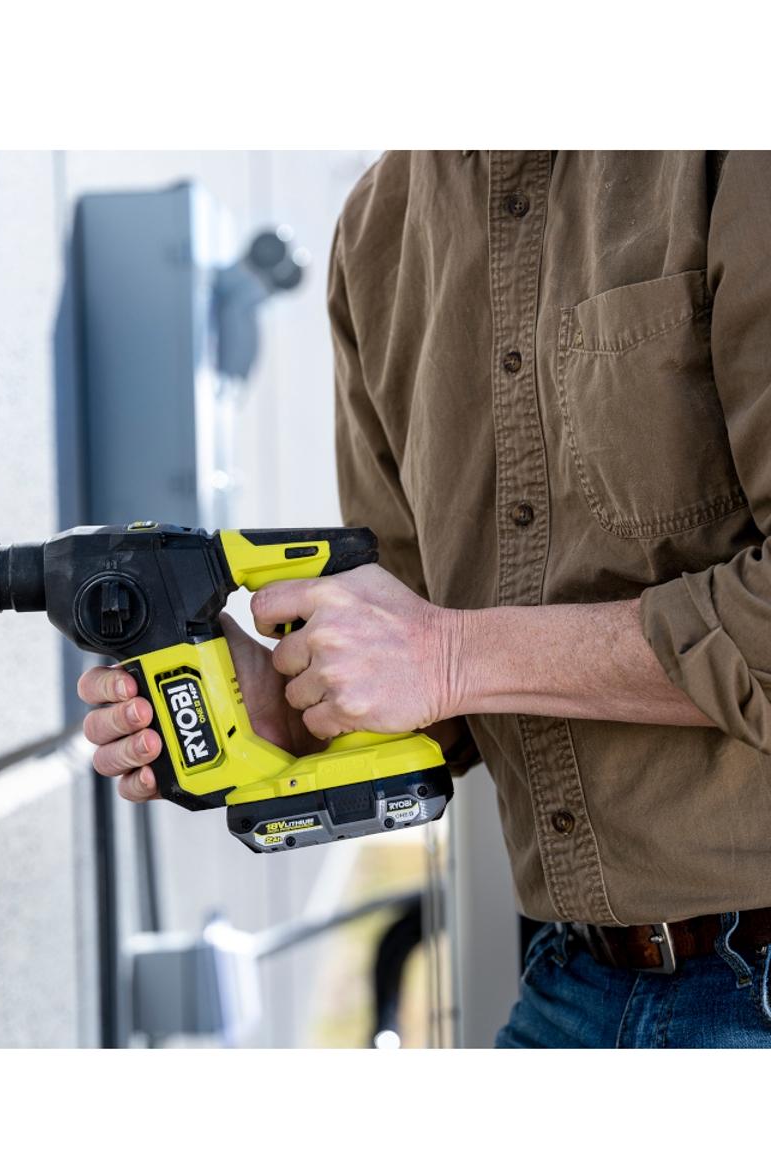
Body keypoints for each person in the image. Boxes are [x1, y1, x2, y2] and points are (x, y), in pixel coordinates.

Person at [76, 152, 771, 1049]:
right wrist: (295, 708)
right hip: (577, 985)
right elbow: (422, 671)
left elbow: (436, 653)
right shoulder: (378, 227)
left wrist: (447, 657)